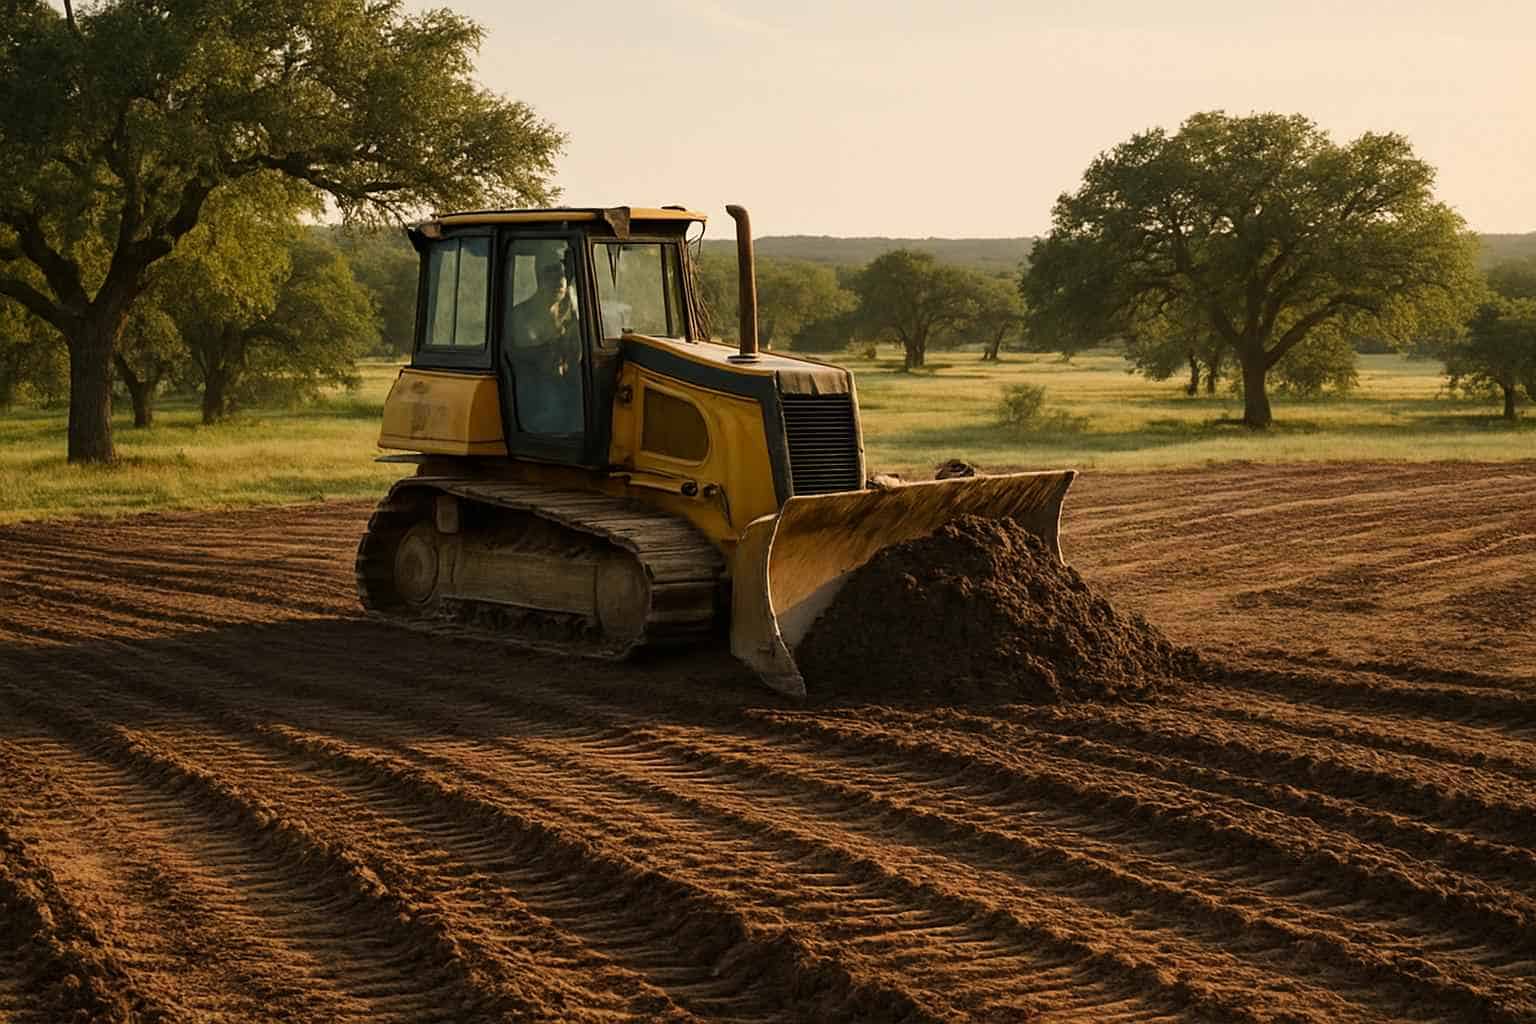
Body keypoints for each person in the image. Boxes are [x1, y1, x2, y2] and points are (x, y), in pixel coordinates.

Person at [507, 255, 584, 433]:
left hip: (564, 381)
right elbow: (510, 355)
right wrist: (543, 353)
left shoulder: (572, 314)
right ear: (538, 277)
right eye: (551, 273)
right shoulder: (520, 316)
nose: (559, 280)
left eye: (563, 273)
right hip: (532, 388)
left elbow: (577, 353)